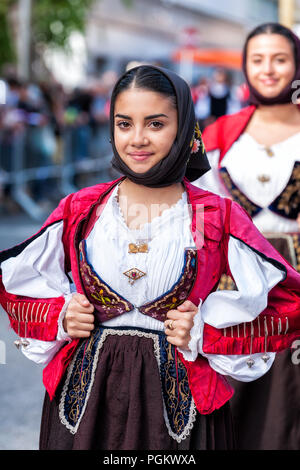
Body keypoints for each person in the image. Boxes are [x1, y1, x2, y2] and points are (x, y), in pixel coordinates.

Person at [0, 64, 300, 451]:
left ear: (184, 130)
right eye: (124, 124)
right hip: (85, 409)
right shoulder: (83, 208)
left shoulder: (216, 215)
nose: (137, 139)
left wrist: (208, 329)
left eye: (155, 124)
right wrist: (60, 315)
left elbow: (288, 301)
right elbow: (14, 284)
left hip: (180, 413)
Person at [193, 23, 300, 449]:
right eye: (258, 60)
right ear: (245, 66)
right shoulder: (219, 134)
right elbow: (198, 212)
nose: (268, 70)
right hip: (234, 283)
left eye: (280, 59)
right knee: (238, 388)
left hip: (296, 279)